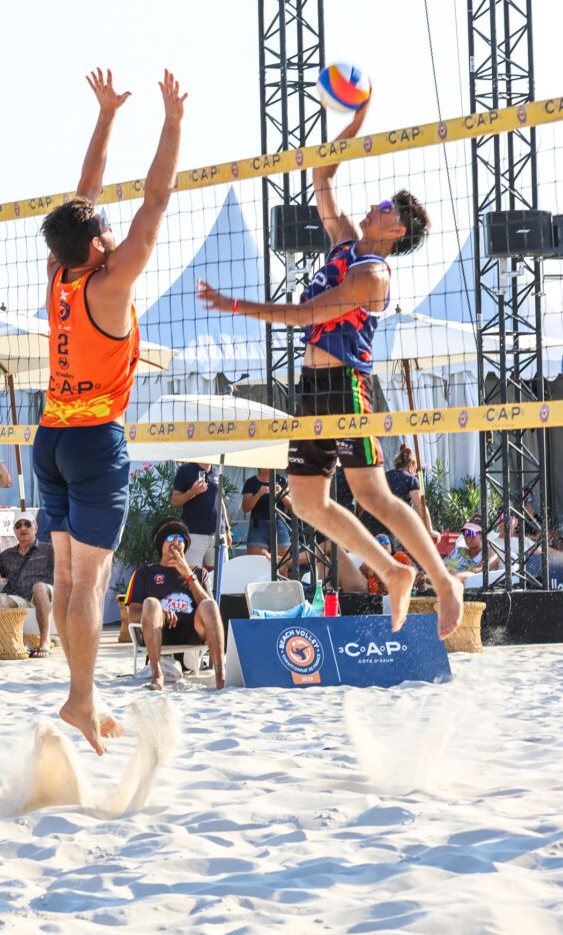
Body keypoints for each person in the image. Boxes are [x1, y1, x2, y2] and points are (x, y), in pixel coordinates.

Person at [198, 96, 463, 641]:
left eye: (387, 208)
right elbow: (322, 176)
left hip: (346, 384)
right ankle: (392, 571)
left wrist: (235, 305)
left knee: (373, 495)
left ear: (397, 231)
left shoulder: (374, 275)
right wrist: (355, 122)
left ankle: (442, 580)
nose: (376, 207)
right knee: (306, 501)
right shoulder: (345, 242)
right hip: (312, 385)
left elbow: (306, 314)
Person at [33, 68, 187, 755]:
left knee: (69, 579)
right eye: (102, 226)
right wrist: (173, 120)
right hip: (95, 443)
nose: (107, 222)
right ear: (97, 243)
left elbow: (84, 195)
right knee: (89, 582)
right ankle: (80, 697)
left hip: (51, 438)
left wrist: (106, 116)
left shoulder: (59, 275)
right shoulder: (113, 280)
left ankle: (83, 697)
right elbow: (157, 196)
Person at [125, 516, 225, 692]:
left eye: (180, 539)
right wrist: (161, 612)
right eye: (170, 537)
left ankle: (220, 674)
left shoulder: (198, 572)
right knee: (151, 603)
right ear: (161, 544)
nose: (176, 542)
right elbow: (132, 614)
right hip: (158, 631)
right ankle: (157, 675)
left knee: (209, 605)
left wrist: (188, 574)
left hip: (193, 630)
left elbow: (209, 608)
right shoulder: (144, 573)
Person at [0, 511, 55, 657]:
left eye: (27, 524)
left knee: (39, 587)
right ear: (14, 531)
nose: (23, 528)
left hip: (44, 597)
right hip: (19, 598)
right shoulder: (7, 555)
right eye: (18, 526)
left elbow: (65, 573)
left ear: (36, 527)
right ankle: (23, 642)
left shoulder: (49, 550)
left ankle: (44, 642)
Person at [171, 462, 231, 568]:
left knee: (219, 574)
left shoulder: (217, 470)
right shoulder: (186, 470)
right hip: (194, 533)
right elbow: (175, 501)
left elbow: (220, 501)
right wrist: (192, 492)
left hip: (218, 533)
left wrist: (227, 529)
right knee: (192, 574)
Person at [241, 469, 292, 558]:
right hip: (258, 526)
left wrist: (281, 493)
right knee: (257, 562)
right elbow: (245, 508)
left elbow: (291, 506)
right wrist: (259, 494)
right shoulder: (251, 482)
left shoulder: (281, 480)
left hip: (279, 524)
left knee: (283, 563)